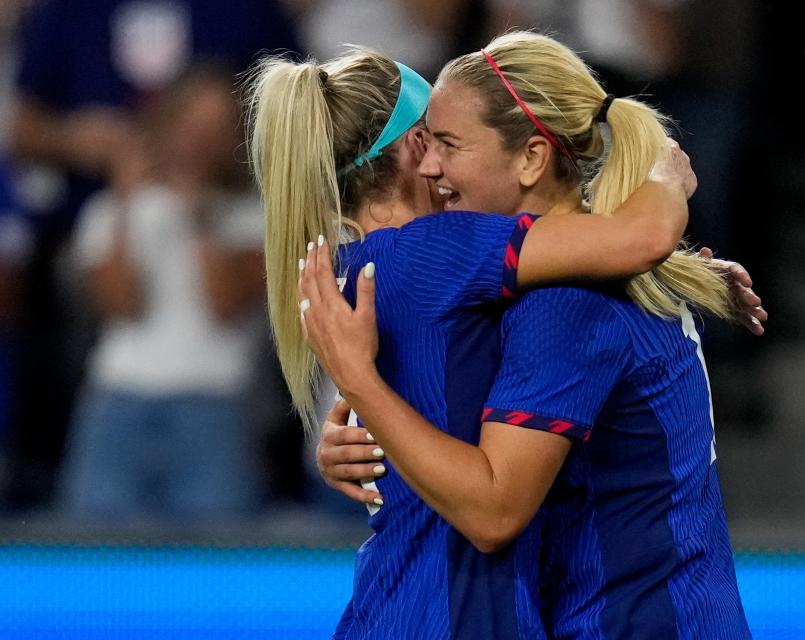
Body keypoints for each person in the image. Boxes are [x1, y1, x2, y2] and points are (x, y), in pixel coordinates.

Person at [246, 43, 718, 637]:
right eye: (432, 140)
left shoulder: (362, 268)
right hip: (458, 617)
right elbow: (639, 236)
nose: (437, 168)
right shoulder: (439, 255)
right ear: (408, 151)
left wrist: (366, 407)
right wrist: (667, 179)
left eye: (453, 144)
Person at [60, 66, 266, 522]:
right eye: (192, 122)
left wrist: (198, 216)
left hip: (213, 401)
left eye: (215, 127)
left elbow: (224, 305)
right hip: (120, 396)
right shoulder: (109, 211)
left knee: (216, 556)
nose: (199, 139)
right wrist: (124, 205)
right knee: (97, 554)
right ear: (168, 123)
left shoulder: (256, 217)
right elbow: (121, 306)